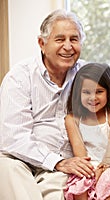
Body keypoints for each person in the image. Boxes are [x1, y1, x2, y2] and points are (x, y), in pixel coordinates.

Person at [0, 9, 95, 200]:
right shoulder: (20, 76)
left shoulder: (89, 74)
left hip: (62, 167)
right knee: (5, 168)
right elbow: (13, 137)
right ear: (42, 44)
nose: (68, 46)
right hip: (21, 161)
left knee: (61, 191)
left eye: (74, 39)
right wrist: (56, 161)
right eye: (60, 39)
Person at [63, 63, 110, 200]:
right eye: (86, 92)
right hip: (87, 165)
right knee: (81, 181)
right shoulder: (72, 119)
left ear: (109, 91)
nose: (93, 97)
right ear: (78, 93)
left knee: (109, 179)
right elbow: (80, 154)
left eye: (99, 92)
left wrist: (103, 168)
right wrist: (92, 171)